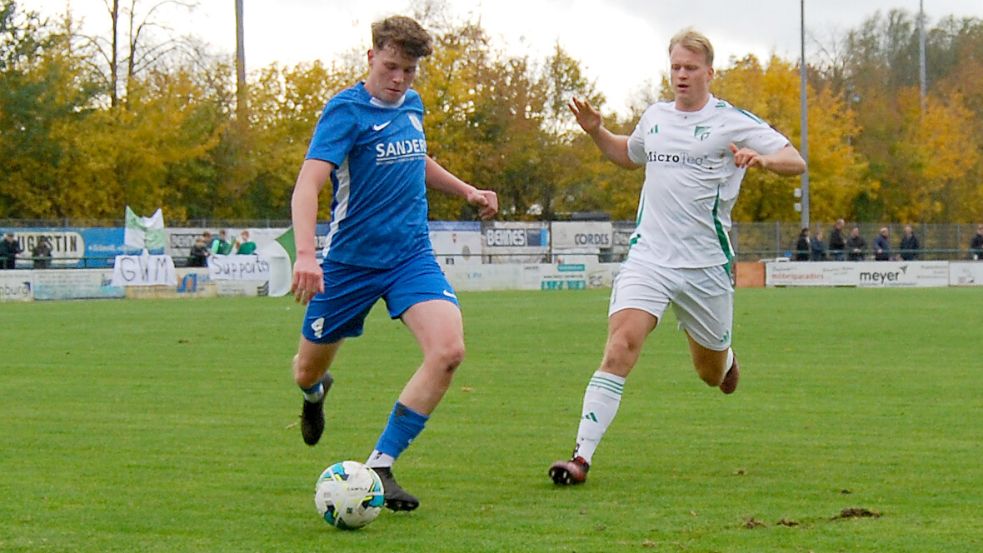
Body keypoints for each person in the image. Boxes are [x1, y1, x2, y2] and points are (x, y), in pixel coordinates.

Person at [549, 28, 805, 486]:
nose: (681, 75)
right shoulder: (655, 117)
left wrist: (762, 160)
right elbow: (627, 155)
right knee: (619, 347)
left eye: (690, 68)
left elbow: (795, 159)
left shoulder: (731, 121)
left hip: (706, 267)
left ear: (709, 72)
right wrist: (597, 132)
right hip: (649, 258)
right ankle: (580, 457)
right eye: (675, 67)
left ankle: (725, 360)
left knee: (710, 375)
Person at [288, 15, 498, 512]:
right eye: (390, 66)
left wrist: (466, 189)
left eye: (408, 70)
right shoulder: (345, 111)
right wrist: (304, 254)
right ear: (370, 57)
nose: (399, 79)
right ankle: (315, 395)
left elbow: (415, 157)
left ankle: (381, 464)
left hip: (410, 257)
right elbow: (308, 184)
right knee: (304, 370)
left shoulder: (413, 106)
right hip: (348, 265)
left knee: (448, 350)